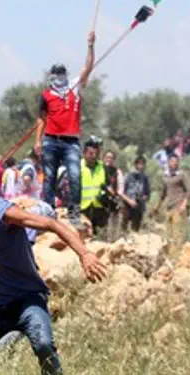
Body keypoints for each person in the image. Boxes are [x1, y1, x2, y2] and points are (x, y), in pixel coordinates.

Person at [0, 158, 107, 375]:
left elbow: (51, 224)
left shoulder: (6, 213)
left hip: (28, 301)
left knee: (43, 346)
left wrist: (84, 254)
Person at [34, 31, 96, 229]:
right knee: (49, 177)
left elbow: (88, 68)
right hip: (51, 140)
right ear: (51, 76)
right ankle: (49, 210)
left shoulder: (75, 88)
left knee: (75, 175)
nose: (59, 77)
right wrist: (37, 141)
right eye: (56, 74)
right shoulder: (46, 95)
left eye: (62, 73)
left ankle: (74, 212)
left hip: (70, 141)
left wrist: (90, 46)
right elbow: (41, 119)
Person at [80, 138, 110, 233]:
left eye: (96, 154)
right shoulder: (77, 166)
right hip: (82, 208)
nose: (94, 156)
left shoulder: (102, 167)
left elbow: (108, 185)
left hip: (99, 208)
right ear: (84, 153)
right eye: (91, 153)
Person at [155, 155, 190, 224]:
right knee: (169, 233)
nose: (174, 163)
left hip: (179, 207)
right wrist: (157, 207)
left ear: (178, 163)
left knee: (178, 233)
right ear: (169, 162)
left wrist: (184, 205)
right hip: (169, 208)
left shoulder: (182, 175)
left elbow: (189, 191)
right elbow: (163, 194)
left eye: (176, 161)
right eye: (172, 161)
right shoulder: (166, 176)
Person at [120, 156, 151, 232]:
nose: (141, 166)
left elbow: (147, 193)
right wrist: (129, 201)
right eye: (139, 164)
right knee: (124, 228)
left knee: (135, 228)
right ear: (135, 164)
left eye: (143, 164)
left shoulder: (145, 177)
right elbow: (121, 192)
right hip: (127, 205)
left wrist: (144, 198)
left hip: (139, 205)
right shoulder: (128, 176)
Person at [102, 150, 124, 227]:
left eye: (111, 158)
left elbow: (120, 186)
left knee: (114, 221)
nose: (109, 159)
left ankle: (113, 237)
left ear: (114, 160)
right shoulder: (100, 169)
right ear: (103, 158)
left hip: (114, 199)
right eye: (107, 157)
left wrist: (118, 197)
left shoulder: (117, 171)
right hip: (101, 199)